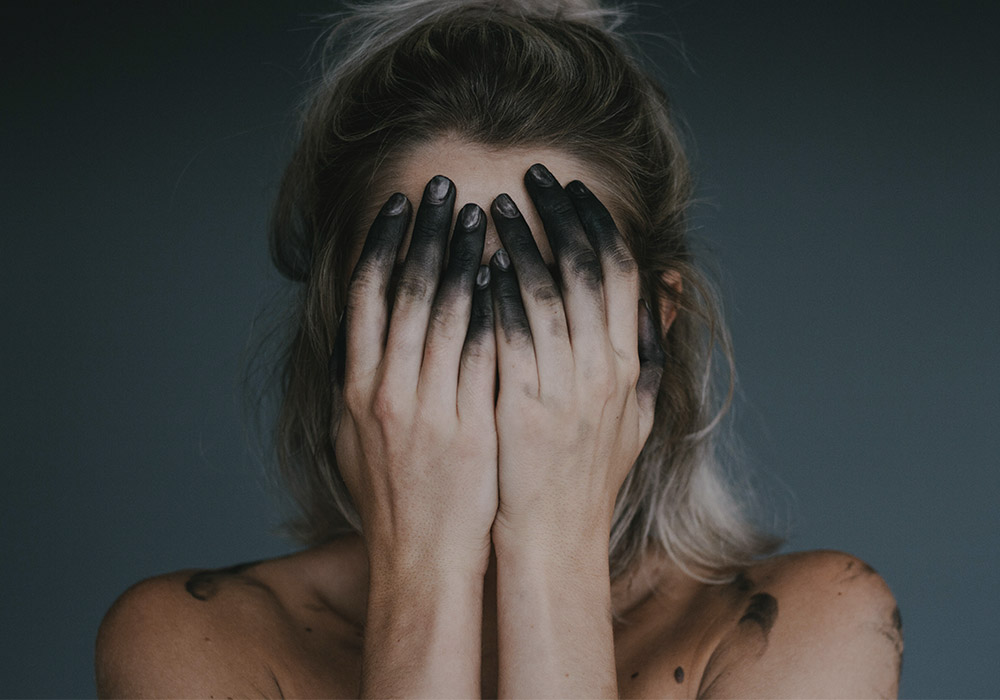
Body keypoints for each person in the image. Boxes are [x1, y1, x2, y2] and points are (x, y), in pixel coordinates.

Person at [94, 0, 903, 697]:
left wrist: (549, 550)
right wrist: (426, 568)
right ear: (347, 328)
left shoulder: (808, 628)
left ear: (650, 328)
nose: (486, 355)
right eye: (429, 289)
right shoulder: (191, 643)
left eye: (547, 297)